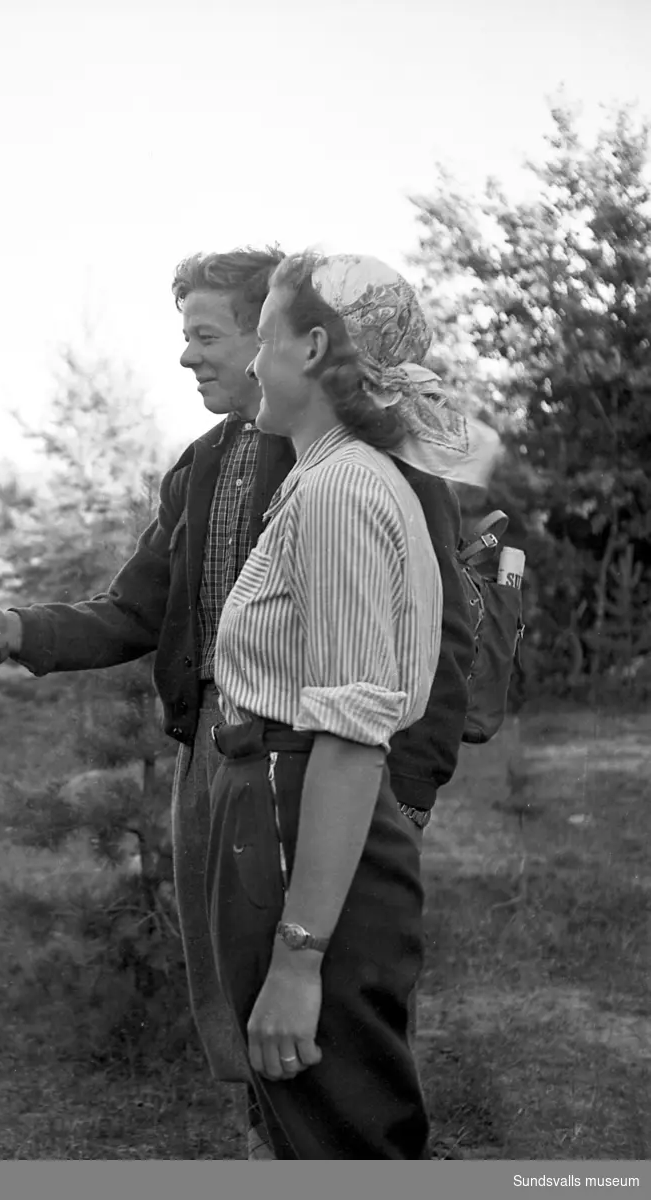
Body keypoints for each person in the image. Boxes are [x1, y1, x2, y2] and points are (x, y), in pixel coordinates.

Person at [0, 246, 477, 1156]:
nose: (192, 356)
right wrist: (9, 627)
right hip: (227, 765)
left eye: (218, 334)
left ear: (300, 342)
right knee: (254, 1029)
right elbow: (134, 610)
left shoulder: (350, 474)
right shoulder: (204, 466)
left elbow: (431, 642)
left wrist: (400, 803)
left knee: (324, 1040)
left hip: (315, 777)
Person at [205, 250, 499, 1159]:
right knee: (310, 1122)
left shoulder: (340, 492)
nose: (252, 363)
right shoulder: (331, 476)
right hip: (287, 809)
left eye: (263, 339)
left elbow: (349, 740)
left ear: (314, 347)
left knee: (336, 1129)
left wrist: (299, 960)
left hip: (306, 821)